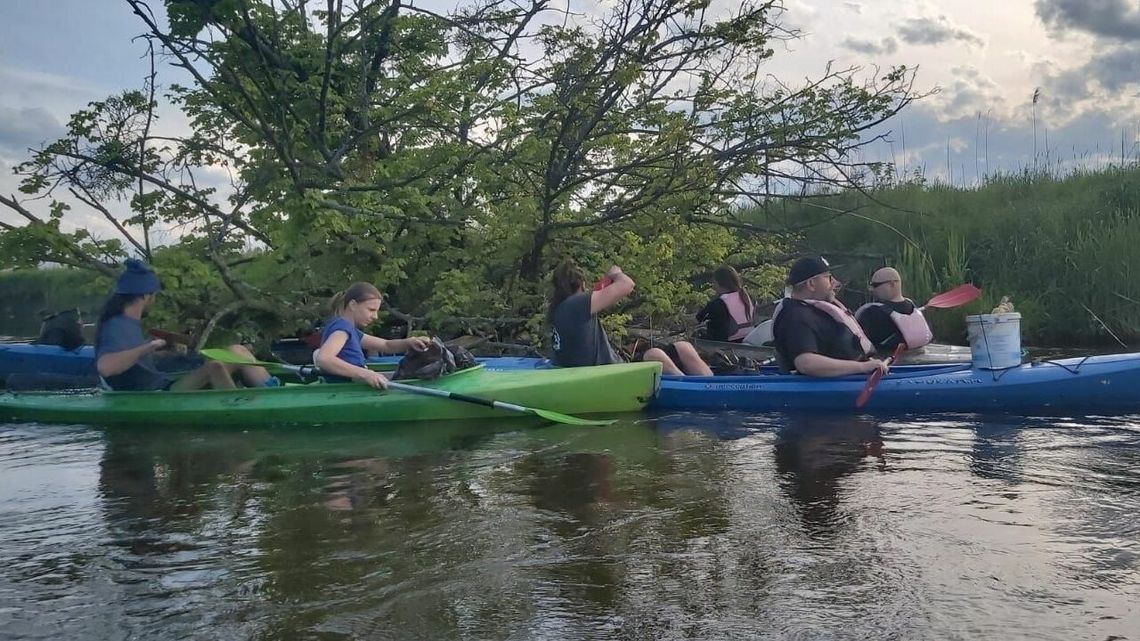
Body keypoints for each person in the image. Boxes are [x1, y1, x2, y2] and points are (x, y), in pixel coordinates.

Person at [95, 258, 276, 391]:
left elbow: (136, 363)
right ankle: (237, 408)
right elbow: (106, 367)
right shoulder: (115, 325)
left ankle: (274, 392)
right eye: (154, 295)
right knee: (215, 366)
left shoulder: (130, 323)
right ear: (145, 295)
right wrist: (148, 347)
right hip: (155, 393)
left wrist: (164, 353)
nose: (154, 300)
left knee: (237, 350)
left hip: (162, 382)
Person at [548, 259, 712, 376]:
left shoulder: (560, 308)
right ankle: (688, 389)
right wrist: (617, 273)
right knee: (654, 354)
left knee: (683, 346)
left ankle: (708, 386)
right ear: (581, 283)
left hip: (607, 371)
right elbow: (627, 285)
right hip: (612, 374)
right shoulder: (578, 303)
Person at [771, 256, 888, 377]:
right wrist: (862, 367)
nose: (834, 282)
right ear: (811, 284)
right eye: (828, 277)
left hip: (850, 381)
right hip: (827, 389)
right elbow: (806, 363)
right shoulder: (796, 317)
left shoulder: (812, 311)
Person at [315, 282, 431, 388]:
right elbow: (324, 359)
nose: (375, 316)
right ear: (353, 305)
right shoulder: (342, 329)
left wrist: (409, 342)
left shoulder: (350, 330)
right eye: (371, 310)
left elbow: (386, 345)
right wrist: (366, 374)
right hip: (344, 389)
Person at [854, 267, 934, 354]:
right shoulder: (912, 305)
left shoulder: (871, 312)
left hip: (885, 362)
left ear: (892, 284)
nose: (871, 289)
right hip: (915, 356)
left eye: (875, 285)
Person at [696, 265, 755, 343]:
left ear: (719, 283)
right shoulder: (748, 297)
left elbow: (698, 318)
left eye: (714, 283)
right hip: (749, 338)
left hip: (727, 343)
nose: (713, 286)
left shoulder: (718, 303)